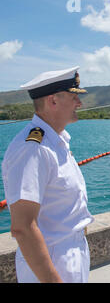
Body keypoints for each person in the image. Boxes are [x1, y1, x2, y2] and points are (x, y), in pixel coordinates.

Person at [1, 66, 94, 283]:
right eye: (74, 97)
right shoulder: (33, 148)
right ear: (53, 101)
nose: (79, 104)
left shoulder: (56, 142)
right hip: (51, 262)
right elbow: (22, 227)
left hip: (70, 253)